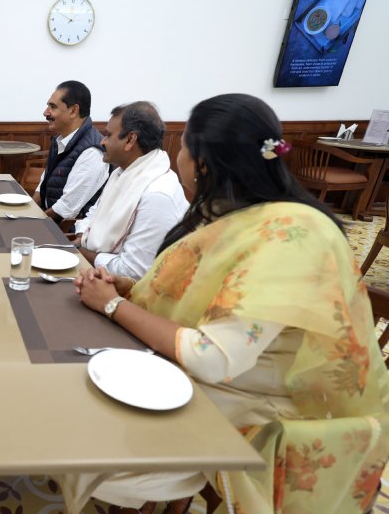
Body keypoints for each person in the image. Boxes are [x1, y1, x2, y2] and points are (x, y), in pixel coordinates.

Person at [61, 94, 389, 514]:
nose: (174, 156)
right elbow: (195, 294)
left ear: (202, 163)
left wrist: (112, 307)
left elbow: (213, 357)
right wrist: (126, 288)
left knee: (88, 427)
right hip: (230, 378)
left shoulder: (292, 238)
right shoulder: (237, 212)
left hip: (260, 405)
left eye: (181, 146)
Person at [72, 102, 188, 279]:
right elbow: (93, 215)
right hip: (99, 274)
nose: (102, 142)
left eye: (108, 135)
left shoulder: (157, 194)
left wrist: (82, 252)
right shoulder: (123, 172)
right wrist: (84, 236)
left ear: (130, 140)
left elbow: (134, 272)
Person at [35, 80, 109, 223]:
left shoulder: (92, 153)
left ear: (74, 110)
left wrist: (32, 222)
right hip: (49, 222)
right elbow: (43, 184)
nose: (45, 112)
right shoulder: (60, 139)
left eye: (52, 107)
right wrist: (29, 211)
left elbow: (65, 210)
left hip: (67, 234)